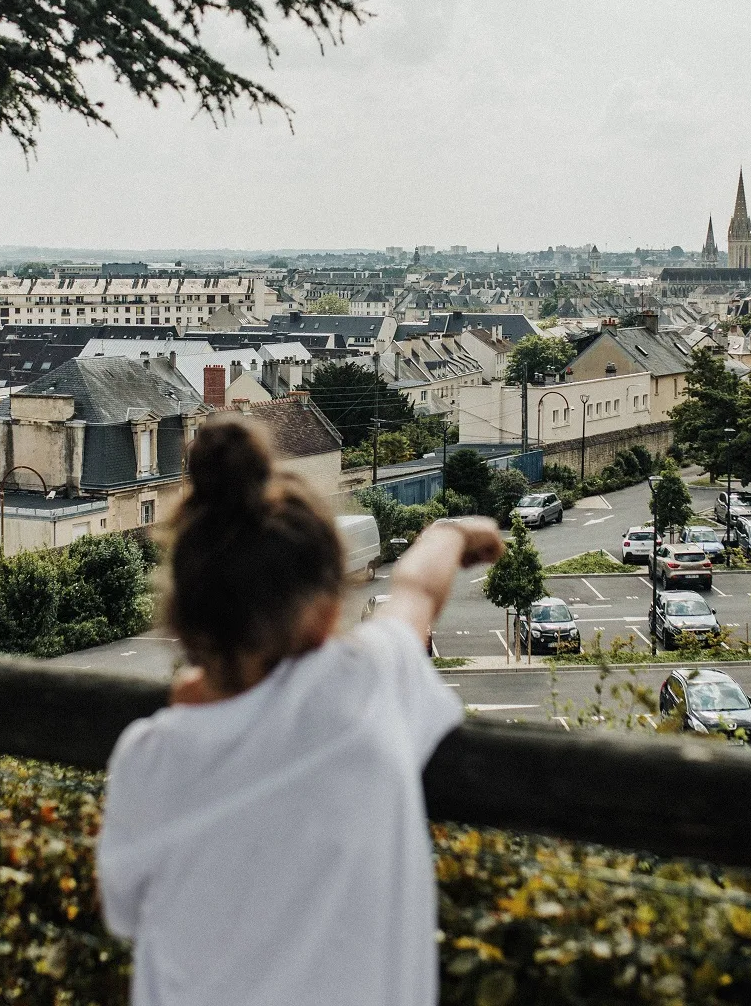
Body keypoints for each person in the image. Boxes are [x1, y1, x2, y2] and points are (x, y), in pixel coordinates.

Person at [97, 417, 504, 1006]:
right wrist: (454, 532)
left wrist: (196, 692)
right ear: (322, 611)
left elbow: (124, 914)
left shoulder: (148, 756)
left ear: (184, 624)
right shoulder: (363, 687)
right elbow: (416, 593)